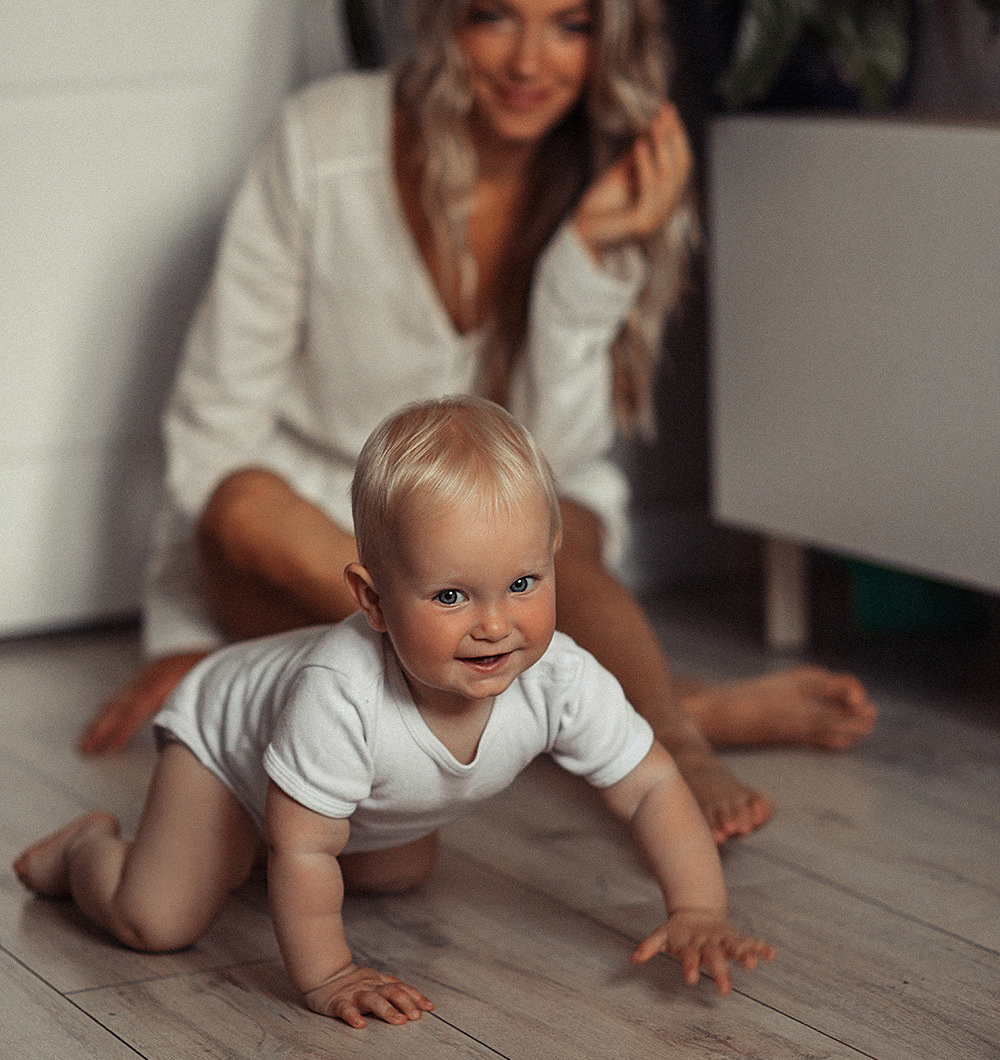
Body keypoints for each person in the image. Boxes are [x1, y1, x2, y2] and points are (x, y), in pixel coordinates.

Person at [79, 0, 875, 843]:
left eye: (570, 24)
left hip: (501, 575)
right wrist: (188, 640)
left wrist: (587, 266)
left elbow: (553, 464)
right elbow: (211, 429)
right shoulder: (321, 142)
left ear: (607, 39)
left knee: (564, 519)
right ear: (448, 14)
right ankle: (619, 700)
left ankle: (676, 739)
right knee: (241, 502)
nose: (527, 60)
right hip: (318, 561)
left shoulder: (610, 190)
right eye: (496, 14)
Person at [18, 399, 775, 1027]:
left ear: (551, 558)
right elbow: (309, 852)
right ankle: (86, 852)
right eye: (451, 595)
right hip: (224, 746)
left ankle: (241, 847)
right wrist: (330, 975)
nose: (494, 624)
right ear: (373, 600)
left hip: (343, 795)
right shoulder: (339, 689)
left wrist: (698, 907)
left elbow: (650, 788)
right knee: (161, 919)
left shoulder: (563, 676)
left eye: (521, 582)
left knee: (399, 869)